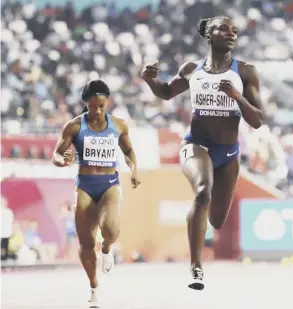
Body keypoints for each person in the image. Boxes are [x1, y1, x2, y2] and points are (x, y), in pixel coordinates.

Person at [141, 16, 264, 290]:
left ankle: (198, 222)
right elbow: (166, 92)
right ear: (208, 35)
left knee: (217, 220)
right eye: (223, 28)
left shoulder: (245, 72)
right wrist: (151, 81)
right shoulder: (192, 69)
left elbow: (257, 120)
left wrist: (236, 96)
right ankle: (196, 266)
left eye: (233, 30)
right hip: (196, 144)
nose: (230, 33)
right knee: (202, 191)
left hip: (229, 153)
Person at [52, 80, 140, 308]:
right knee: (86, 244)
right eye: (93, 107)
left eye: (102, 106)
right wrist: (62, 161)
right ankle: (93, 286)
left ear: (107, 103)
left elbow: (129, 151)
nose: (98, 111)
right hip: (85, 186)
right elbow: (57, 153)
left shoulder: (119, 125)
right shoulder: (74, 126)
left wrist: (134, 170)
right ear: (86, 104)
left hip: (109, 183)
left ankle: (107, 249)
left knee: (110, 229)